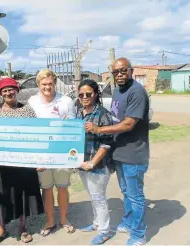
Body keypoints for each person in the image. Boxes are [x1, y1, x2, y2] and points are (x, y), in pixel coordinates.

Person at [85, 57, 150, 245]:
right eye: (116, 72)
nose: (120, 74)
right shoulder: (117, 91)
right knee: (126, 192)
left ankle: (138, 235)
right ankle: (129, 222)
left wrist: (98, 130)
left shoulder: (137, 92)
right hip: (120, 152)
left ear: (131, 71)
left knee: (135, 196)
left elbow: (129, 124)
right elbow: (114, 118)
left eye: (123, 70)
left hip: (134, 154)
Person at [0, 77, 44, 245]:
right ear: (0, 93)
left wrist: (39, 159)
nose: (8, 93)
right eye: (4, 91)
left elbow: (36, 134)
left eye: (11, 89)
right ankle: (1, 229)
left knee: (22, 195)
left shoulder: (27, 110)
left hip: (23, 162)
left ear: (17, 90)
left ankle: (22, 228)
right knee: (2, 196)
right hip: (3, 163)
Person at [28, 69, 76, 236]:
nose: (47, 87)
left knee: (62, 187)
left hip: (62, 153)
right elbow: (29, 127)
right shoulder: (32, 101)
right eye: (44, 84)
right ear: (38, 84)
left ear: (55, 82)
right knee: (46, 189)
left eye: (50, 83)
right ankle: (50, 220)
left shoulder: (66, 101)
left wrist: (67, 123)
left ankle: (63, 219)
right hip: (41, 154)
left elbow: (73, 125)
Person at [76, 79, 114, 245]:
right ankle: (97, 223)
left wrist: (92, 163)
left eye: (88, 94)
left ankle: (105, 231)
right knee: (92, 195)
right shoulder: (79, 112)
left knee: (98, 197)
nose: (84, 97)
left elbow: (106, 143)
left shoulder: (103, 114)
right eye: (81, 94)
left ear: (96, 94)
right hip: (82, 163)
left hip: (98, 165)